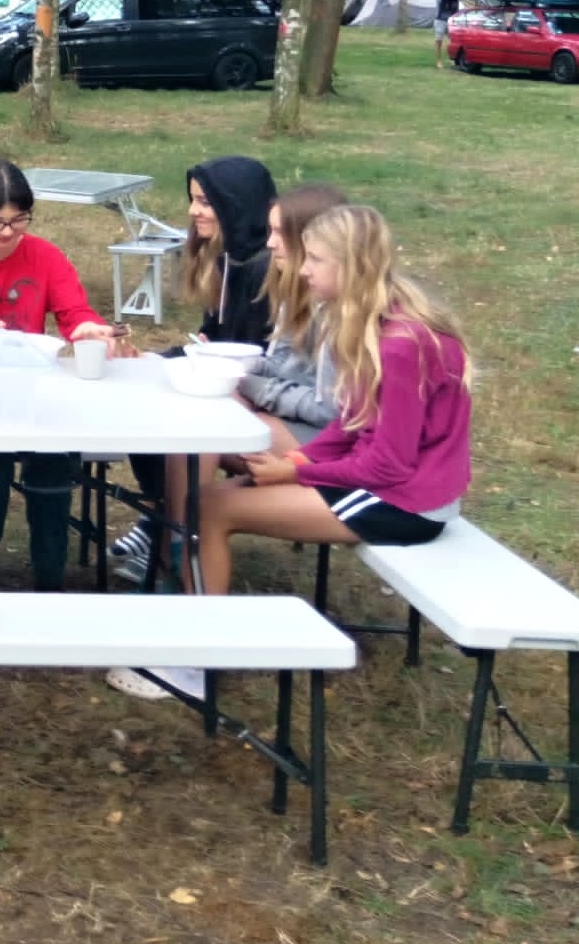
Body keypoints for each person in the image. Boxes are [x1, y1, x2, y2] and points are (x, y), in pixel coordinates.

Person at [110, 204, 471, 700]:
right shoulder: (369, 322)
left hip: (404, 502)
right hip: (380, 482)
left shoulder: (400, 344)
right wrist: (296, 464)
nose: (302, 269)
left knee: (211, 510)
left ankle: (195, 667)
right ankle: (189, 634)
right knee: (204, 503)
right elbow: (351, 425)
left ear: (352, 266)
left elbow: (389, 463)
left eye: (316, 260)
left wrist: (293, 473)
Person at [0, 161, 124, 592]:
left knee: (52, 460)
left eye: (18, 221)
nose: (7, 232)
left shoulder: (45, 256)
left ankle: (50, 578)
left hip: (35, 396)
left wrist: (88, 328)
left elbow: (75, 313)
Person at [109, 155, 277, 585]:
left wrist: (192, 361)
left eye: (205, 202)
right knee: (145, 398)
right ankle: (166, 521)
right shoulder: (228, 261)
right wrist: (156, 359)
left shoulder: (263, 271)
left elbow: (259, 360)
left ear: (236, 205)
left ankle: (171, 539)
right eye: (192, 200)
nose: (193, 211)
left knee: (176, 423)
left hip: (267, 413)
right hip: (231, 392)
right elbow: (211, 341)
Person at [235, 183, 350, 457]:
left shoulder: (340, 310)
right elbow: (280, 365)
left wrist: (253, 386)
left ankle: (193, 500)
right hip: (307, 416)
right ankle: (184, 500)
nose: (269, 243)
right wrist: (233, 368)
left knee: (218, 425)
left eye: (279, 233)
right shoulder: (297, 291)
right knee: (217, 405)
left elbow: (330, 410)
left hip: (338, 439)